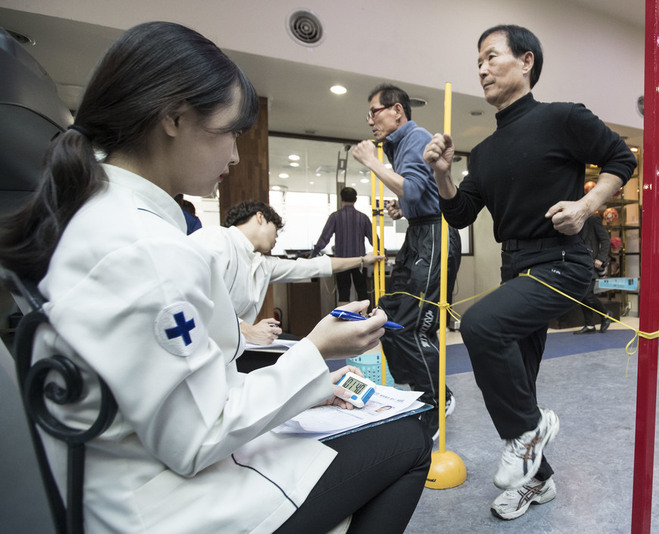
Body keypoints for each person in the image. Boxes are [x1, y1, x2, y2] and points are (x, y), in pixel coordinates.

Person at [0, 22, 429, 533]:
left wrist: (308, 373)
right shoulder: (152, 248)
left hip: (136, 467)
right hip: (167, 505)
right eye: (229, 132)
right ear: (175, 117)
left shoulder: (101, 215)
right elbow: (199, 436)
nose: (234, 155)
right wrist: (315, 351)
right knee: (406, 440)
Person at [422, 24, 638, 520]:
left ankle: (527, 435)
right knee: (520, 385)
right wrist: (443, 175)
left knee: (480, 325)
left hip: (562, 262)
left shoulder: (563, 118)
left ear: (526, 62)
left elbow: (620, 159)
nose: (481, 67)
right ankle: (537, 480)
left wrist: (586, 206)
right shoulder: (489, 150)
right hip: (516, 267)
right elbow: (459, 214)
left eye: (491, 56)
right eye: (477, 60)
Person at [351, 83, 461, 438]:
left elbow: (414, 188)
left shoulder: (414, 138)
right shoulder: (399, 144)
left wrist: (371, 162)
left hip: (435, 234)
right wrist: (406, 206)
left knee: (414, 323)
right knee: (389, 316)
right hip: (419, 230)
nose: (370, 121)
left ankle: (436, 400)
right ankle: (416, 391)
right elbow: (417, 192)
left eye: (375, 112)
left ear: (397, 110)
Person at [191, 200, 381, 345]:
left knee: (297, 348)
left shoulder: (263, 263)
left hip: (232, 346)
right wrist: (245, 330)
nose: (276, 239)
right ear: (260, 217)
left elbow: (315, 266)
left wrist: (363, 260)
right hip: (203, 345)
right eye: (276, 230)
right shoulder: (216, 238)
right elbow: (192, 298)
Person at [311, 186, 374, 305]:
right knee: (362, 292)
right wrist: (382, 252)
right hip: (360, 261)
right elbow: (373, 239)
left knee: (343, 293)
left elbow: (325, 238)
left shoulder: (335, 216)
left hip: (342, 262)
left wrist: (313, 254)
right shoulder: (363, 218)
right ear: (356, 199)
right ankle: (365, 319)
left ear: (341, 199)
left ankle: (344, 321)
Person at [573, 213, 614, 334]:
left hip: (591, 263)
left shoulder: (593, 219)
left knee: (586, 295)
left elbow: (606, 240)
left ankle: (606, 314)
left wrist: (601, 258)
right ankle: (590, 325)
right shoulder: (575, 219)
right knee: (582, 295)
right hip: (579, 263)